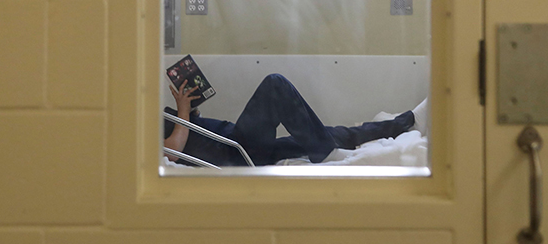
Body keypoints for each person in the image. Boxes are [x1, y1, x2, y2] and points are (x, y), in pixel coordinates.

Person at [164, 73, 416, 167]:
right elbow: (171, 152)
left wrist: (190, 110)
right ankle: (326, 153)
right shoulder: (140, 131)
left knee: (326, 134)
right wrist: (182, 111)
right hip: (235, 152)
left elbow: (187, 134)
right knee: (275, 85)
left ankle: (402, 123)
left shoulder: (158, 116)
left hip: (239, 144)